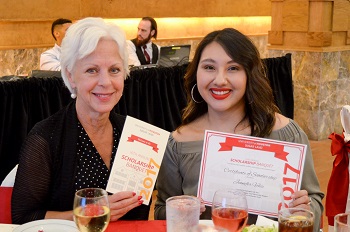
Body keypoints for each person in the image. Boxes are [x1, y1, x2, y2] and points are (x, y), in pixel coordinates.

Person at [154, 28, 324, 231]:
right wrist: (183, 209)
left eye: (233, 68)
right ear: (195, 73)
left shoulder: (287, 133)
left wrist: (303, 211)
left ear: (249, 75)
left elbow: (315, 202)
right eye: (209, 67)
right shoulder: (178, 144)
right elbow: (161, 210)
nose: (219, 79)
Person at [12, 17, 149, 224]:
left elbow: (139, 215)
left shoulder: (137, 135)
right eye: (92, 70)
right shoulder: (44, 138)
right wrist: (93, 212)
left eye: (114, 70)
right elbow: (24, 217)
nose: (105, 82)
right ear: (71, 75)